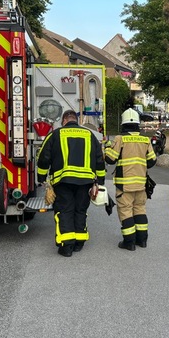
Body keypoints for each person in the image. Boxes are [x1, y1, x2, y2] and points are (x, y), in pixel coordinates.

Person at [36, 109, 106, 257]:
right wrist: (100, 181)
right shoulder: (89, 135)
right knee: (80, 210)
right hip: (86, 182)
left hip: (63, 181)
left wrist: (41, 178)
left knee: (65, 211)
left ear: (63, 121)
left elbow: (43, 158)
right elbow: (99, 159)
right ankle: (79, 243)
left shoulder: (55, 134)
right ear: (77, 120)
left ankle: (67, 246)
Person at [104, 108, 157, 251]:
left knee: (126, 211)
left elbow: (110, 159)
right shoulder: (145, 140)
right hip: (141, 184)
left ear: (123, 123)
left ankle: (129, 242)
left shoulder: (120, 139)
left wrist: (107, 147)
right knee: (140, 209)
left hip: (124, 185)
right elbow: (152, 161)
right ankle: (142, 240)